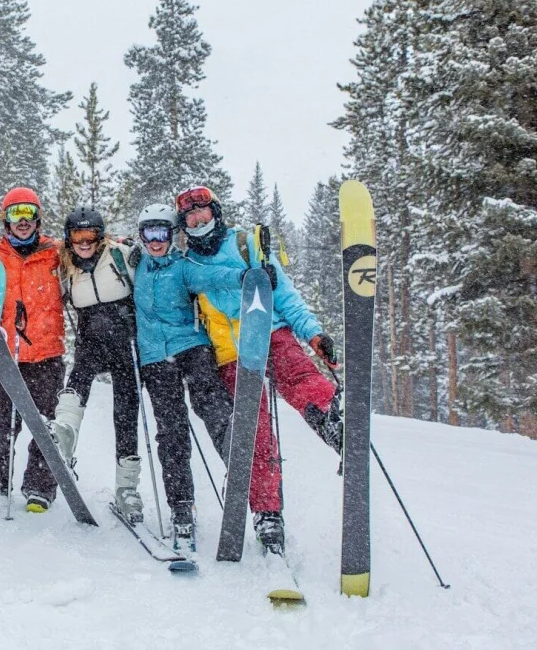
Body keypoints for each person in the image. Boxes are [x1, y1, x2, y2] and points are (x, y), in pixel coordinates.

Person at [174, 185, 343, 555]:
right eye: (190, 216)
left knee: (300, 378)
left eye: (203, 212)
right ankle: (267, 512)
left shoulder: (246, 245)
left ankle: (334, 420)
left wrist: (314, 334)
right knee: (255, 433)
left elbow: (285, 295)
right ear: (183, 224)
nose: (198, 220)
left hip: (270, 332)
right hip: (231, 356)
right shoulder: (188, 267)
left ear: (215, 213)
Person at [130, 203, 246, 551]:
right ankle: (181, 506)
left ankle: (236, 462)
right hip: (154, 359)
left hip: (192, 347)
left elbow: (214, 276)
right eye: (149, 233)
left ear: (172, 235)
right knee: (171, 431)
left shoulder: (184, 268)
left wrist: (244, 276)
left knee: (210, 404)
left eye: (162, 233)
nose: (156, 241)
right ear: (142, 236)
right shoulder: (134, 267)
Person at [49, 205, 144, 522]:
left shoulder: (120, 256)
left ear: (100, 236)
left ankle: (127, 487)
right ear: (69, 237)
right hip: (91, 339)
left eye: (90, 235)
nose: (84, 242)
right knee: (78, 378)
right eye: (78, 235)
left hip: (124, 342)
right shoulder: (64, 265)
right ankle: (64, 431)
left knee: (126, 411)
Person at [0, 187, 65, 513]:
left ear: (38, 218)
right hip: (7, 357)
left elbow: (90, 249)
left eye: (28, 213)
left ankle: (39, 486)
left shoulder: (55, 253)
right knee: (2, 423)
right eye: (16, 213)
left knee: (44, 425)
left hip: (46, 355)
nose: (23, 220)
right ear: (6, 219)